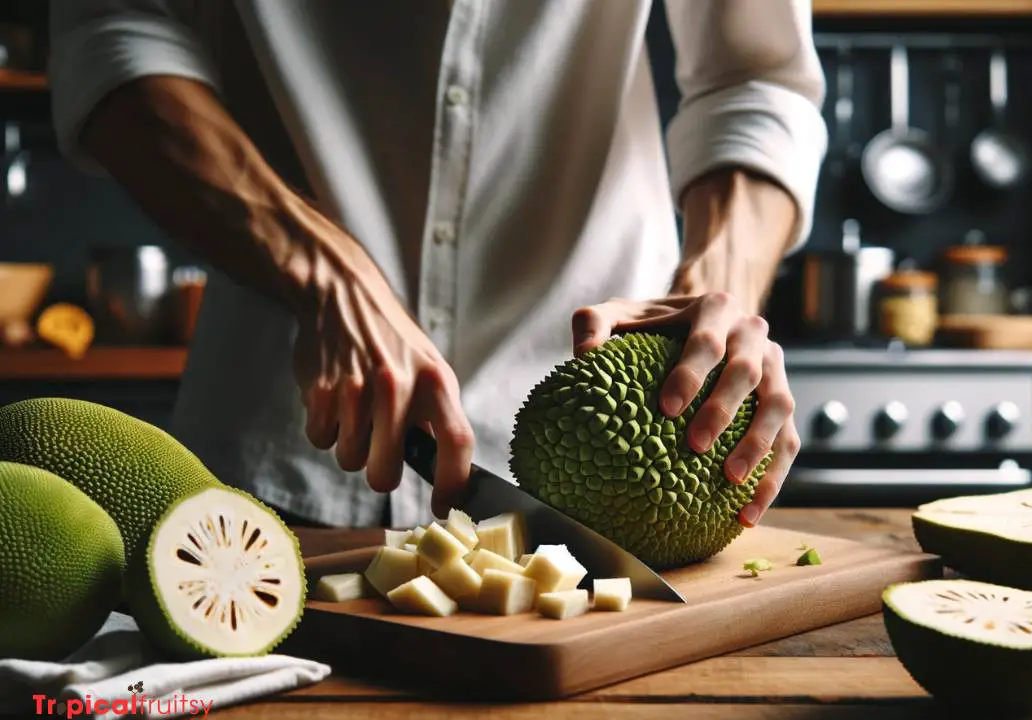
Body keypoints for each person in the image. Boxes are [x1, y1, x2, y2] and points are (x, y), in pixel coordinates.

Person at [47, 1, 827, 531]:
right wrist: (321, 269)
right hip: (281, 445)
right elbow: (112, 32)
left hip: (615, 455)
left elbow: (753, 78)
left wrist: (712, 289)